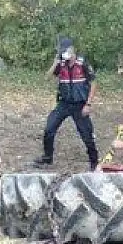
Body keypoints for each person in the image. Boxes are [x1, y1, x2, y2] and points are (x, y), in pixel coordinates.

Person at [30, 37, 99, 171]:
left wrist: (88, 104)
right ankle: (47, 157)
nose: (64, 54)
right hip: (64, 103)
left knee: (87, 134)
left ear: (72, 50)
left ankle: (94, 161)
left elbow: (94, 83)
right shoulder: (61, 64)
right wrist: (55, 62)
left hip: (80, 104)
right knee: (49, 128)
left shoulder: (82, 63)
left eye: (65, 51)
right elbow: (47, 77)